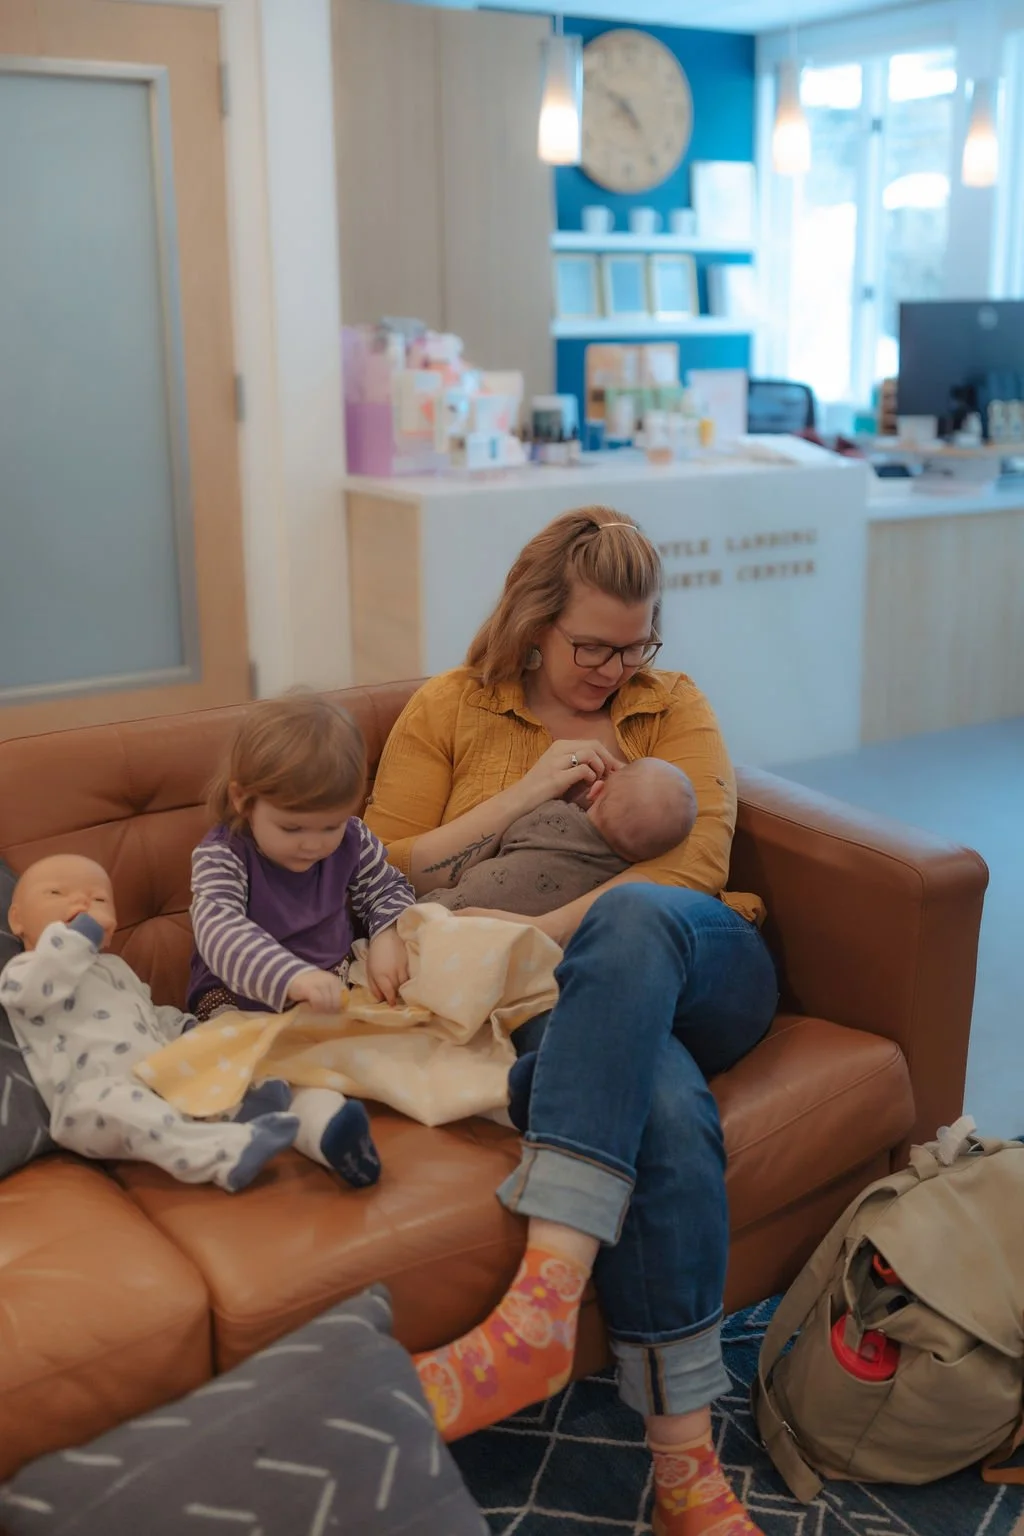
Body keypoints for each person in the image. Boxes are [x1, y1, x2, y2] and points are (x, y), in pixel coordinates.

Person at [364, 508, 778, 1536]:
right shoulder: (452, 710)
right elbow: (377, 864)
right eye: (594, 645)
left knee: (637, 911)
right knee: (664, 1111)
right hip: (564, 1017)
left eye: (635, 643)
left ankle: (537, 1306)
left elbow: (692, 869)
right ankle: (686, 1471)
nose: (615, 667)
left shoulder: (667, 706)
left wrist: (532, 936)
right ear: (533, 622)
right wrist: (518, 804)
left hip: (701, 964)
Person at [188, 695, 416, 1187]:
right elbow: (218, 928)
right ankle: (321, 1125)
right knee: (244, 1070)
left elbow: (388, 887)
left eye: (329, 826)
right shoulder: (223, 855)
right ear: (242, 800)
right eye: (292, 827)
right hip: (237, 1001)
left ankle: (499, 1088)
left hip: (333, 988)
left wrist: (387, 935)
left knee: (427, 962)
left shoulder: (352, 839)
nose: (314, 844)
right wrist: (292, 977)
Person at [0, 854, 299, 1192]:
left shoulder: (116, 968)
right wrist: (77, 938)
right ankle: (222, 1155)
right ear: (17, 919)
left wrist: (186, 1031)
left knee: (209, 1064)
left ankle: (243, 1108)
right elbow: (30, 994)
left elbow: (150, 1013)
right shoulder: (24, 969)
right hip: (87, 1101)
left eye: (99, 899)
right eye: (55, 893)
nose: (82, 901)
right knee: (130, 1107)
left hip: (156, 1076)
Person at [420, 756, 697, 917]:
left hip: (450, 910)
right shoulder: (623, 876)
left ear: (596, 791)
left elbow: (510, 837)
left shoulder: (554, 815)